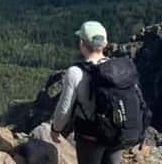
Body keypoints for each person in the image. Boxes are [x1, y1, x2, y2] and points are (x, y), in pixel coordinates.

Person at [51, 21, 122, 164]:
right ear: (105, 43)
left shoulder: (75, 72)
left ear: (82, 43)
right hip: (115, 134)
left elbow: (64, 109)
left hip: (90, 137)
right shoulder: (118, 68)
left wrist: (55, 129)